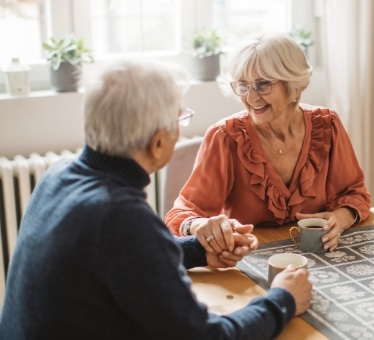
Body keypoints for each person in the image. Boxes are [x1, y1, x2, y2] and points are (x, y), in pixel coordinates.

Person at [0, 58, 312, 339]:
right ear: (159, 142)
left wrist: (198, 250)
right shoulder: (119, 216)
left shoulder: (60, 174)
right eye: (180, 120)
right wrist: (281, 301)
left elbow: (123, 257)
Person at [165, 33, 371, 253]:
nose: (251, 98)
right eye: (243, 85)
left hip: (318, 254)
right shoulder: (225, 137)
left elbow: (355, 193)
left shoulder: (327, 126)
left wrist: (341, 217)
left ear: (293, 83)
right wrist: (196, 225)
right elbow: (182, 214)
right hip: (247, 258)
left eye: (262, 84)